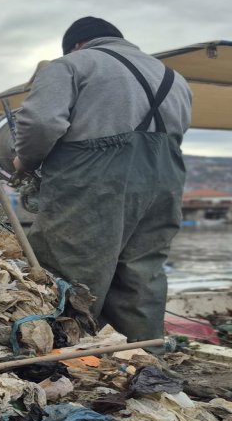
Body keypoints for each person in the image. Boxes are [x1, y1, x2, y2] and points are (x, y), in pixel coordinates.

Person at [13, 17, 192, 340]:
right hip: (164, 178)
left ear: (77, 45)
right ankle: (142, 355)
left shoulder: (71, 64)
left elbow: (39, 122)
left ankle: (62, 355)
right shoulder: (174, 77)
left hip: (94, 176)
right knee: (142, 271)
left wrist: (25, 160)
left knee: (68, 267)